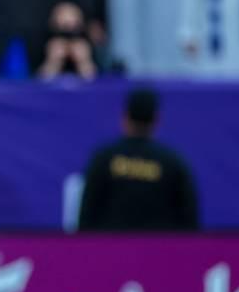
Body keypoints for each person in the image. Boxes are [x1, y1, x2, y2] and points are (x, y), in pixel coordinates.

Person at [78, 88, 199, 231]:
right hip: (160, 250)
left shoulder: (103, 160)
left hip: (111, 250)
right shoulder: (173, 164)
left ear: (125, 117)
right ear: (156, 119)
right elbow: (190, 223)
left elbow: (86, 217)